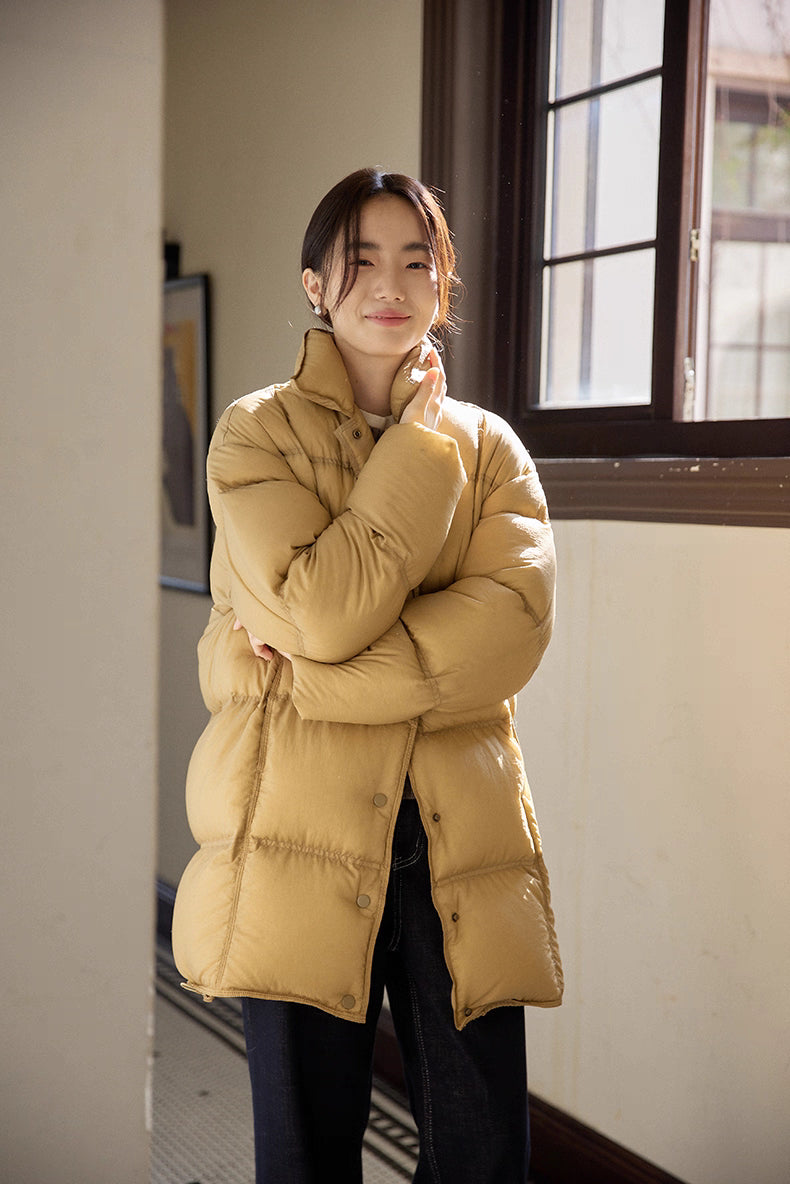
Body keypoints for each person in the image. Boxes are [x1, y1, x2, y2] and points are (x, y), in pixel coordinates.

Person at [172, 167, 563, 1184]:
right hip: (291, 831)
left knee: (483, 1158)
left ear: (445, 284)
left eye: (416, 260)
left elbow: (508, 634)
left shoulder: (493, 452)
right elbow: (324, 611)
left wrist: (313, 670)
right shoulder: (255, 433)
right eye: (360, 260)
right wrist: (413, 457)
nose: (389, 282)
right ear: (314, 282)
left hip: (456, 846)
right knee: (302, 1157)